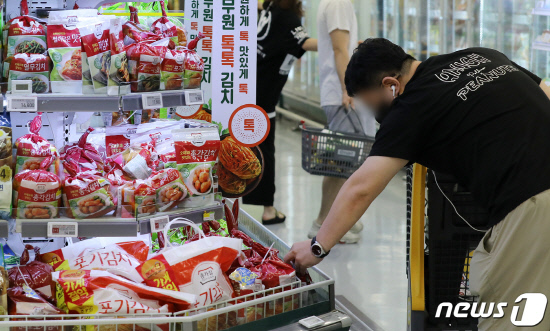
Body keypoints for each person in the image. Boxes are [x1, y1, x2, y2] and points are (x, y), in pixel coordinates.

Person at [285, 38, 550, 330]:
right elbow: (545, 93)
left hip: (534, 199)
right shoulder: (480, 55)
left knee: (510, 315)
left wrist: (317, 246)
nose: (372, 114)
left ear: (390, 85)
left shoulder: (411, 107)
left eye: (368, 102)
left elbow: (361, 187)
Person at [244, 0, 317, 224]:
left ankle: (245, 202)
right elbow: (306, 42)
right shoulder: (288, 17)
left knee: (248, 147)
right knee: (264, 151)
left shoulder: (269, 9)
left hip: (250, 92)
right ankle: (267, 210)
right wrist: (342, 42)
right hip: (264, 98)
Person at [307, 0, 364, 243]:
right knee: (339, 162)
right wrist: (347, 88)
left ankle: (336, 219)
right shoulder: (339, 3)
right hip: (342, 94)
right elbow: (340, 49)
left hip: (339, 92)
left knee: (343, 160)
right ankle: (323, 224)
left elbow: (342, 47)